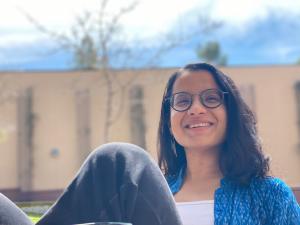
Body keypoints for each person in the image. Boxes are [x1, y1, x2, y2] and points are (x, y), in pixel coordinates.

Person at [157, 62, 300, 224]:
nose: (196, 109)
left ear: (231, 115)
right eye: (182, 101)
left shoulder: (272, 195)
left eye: (211, 98)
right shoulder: (150, 195)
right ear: (169, 121)